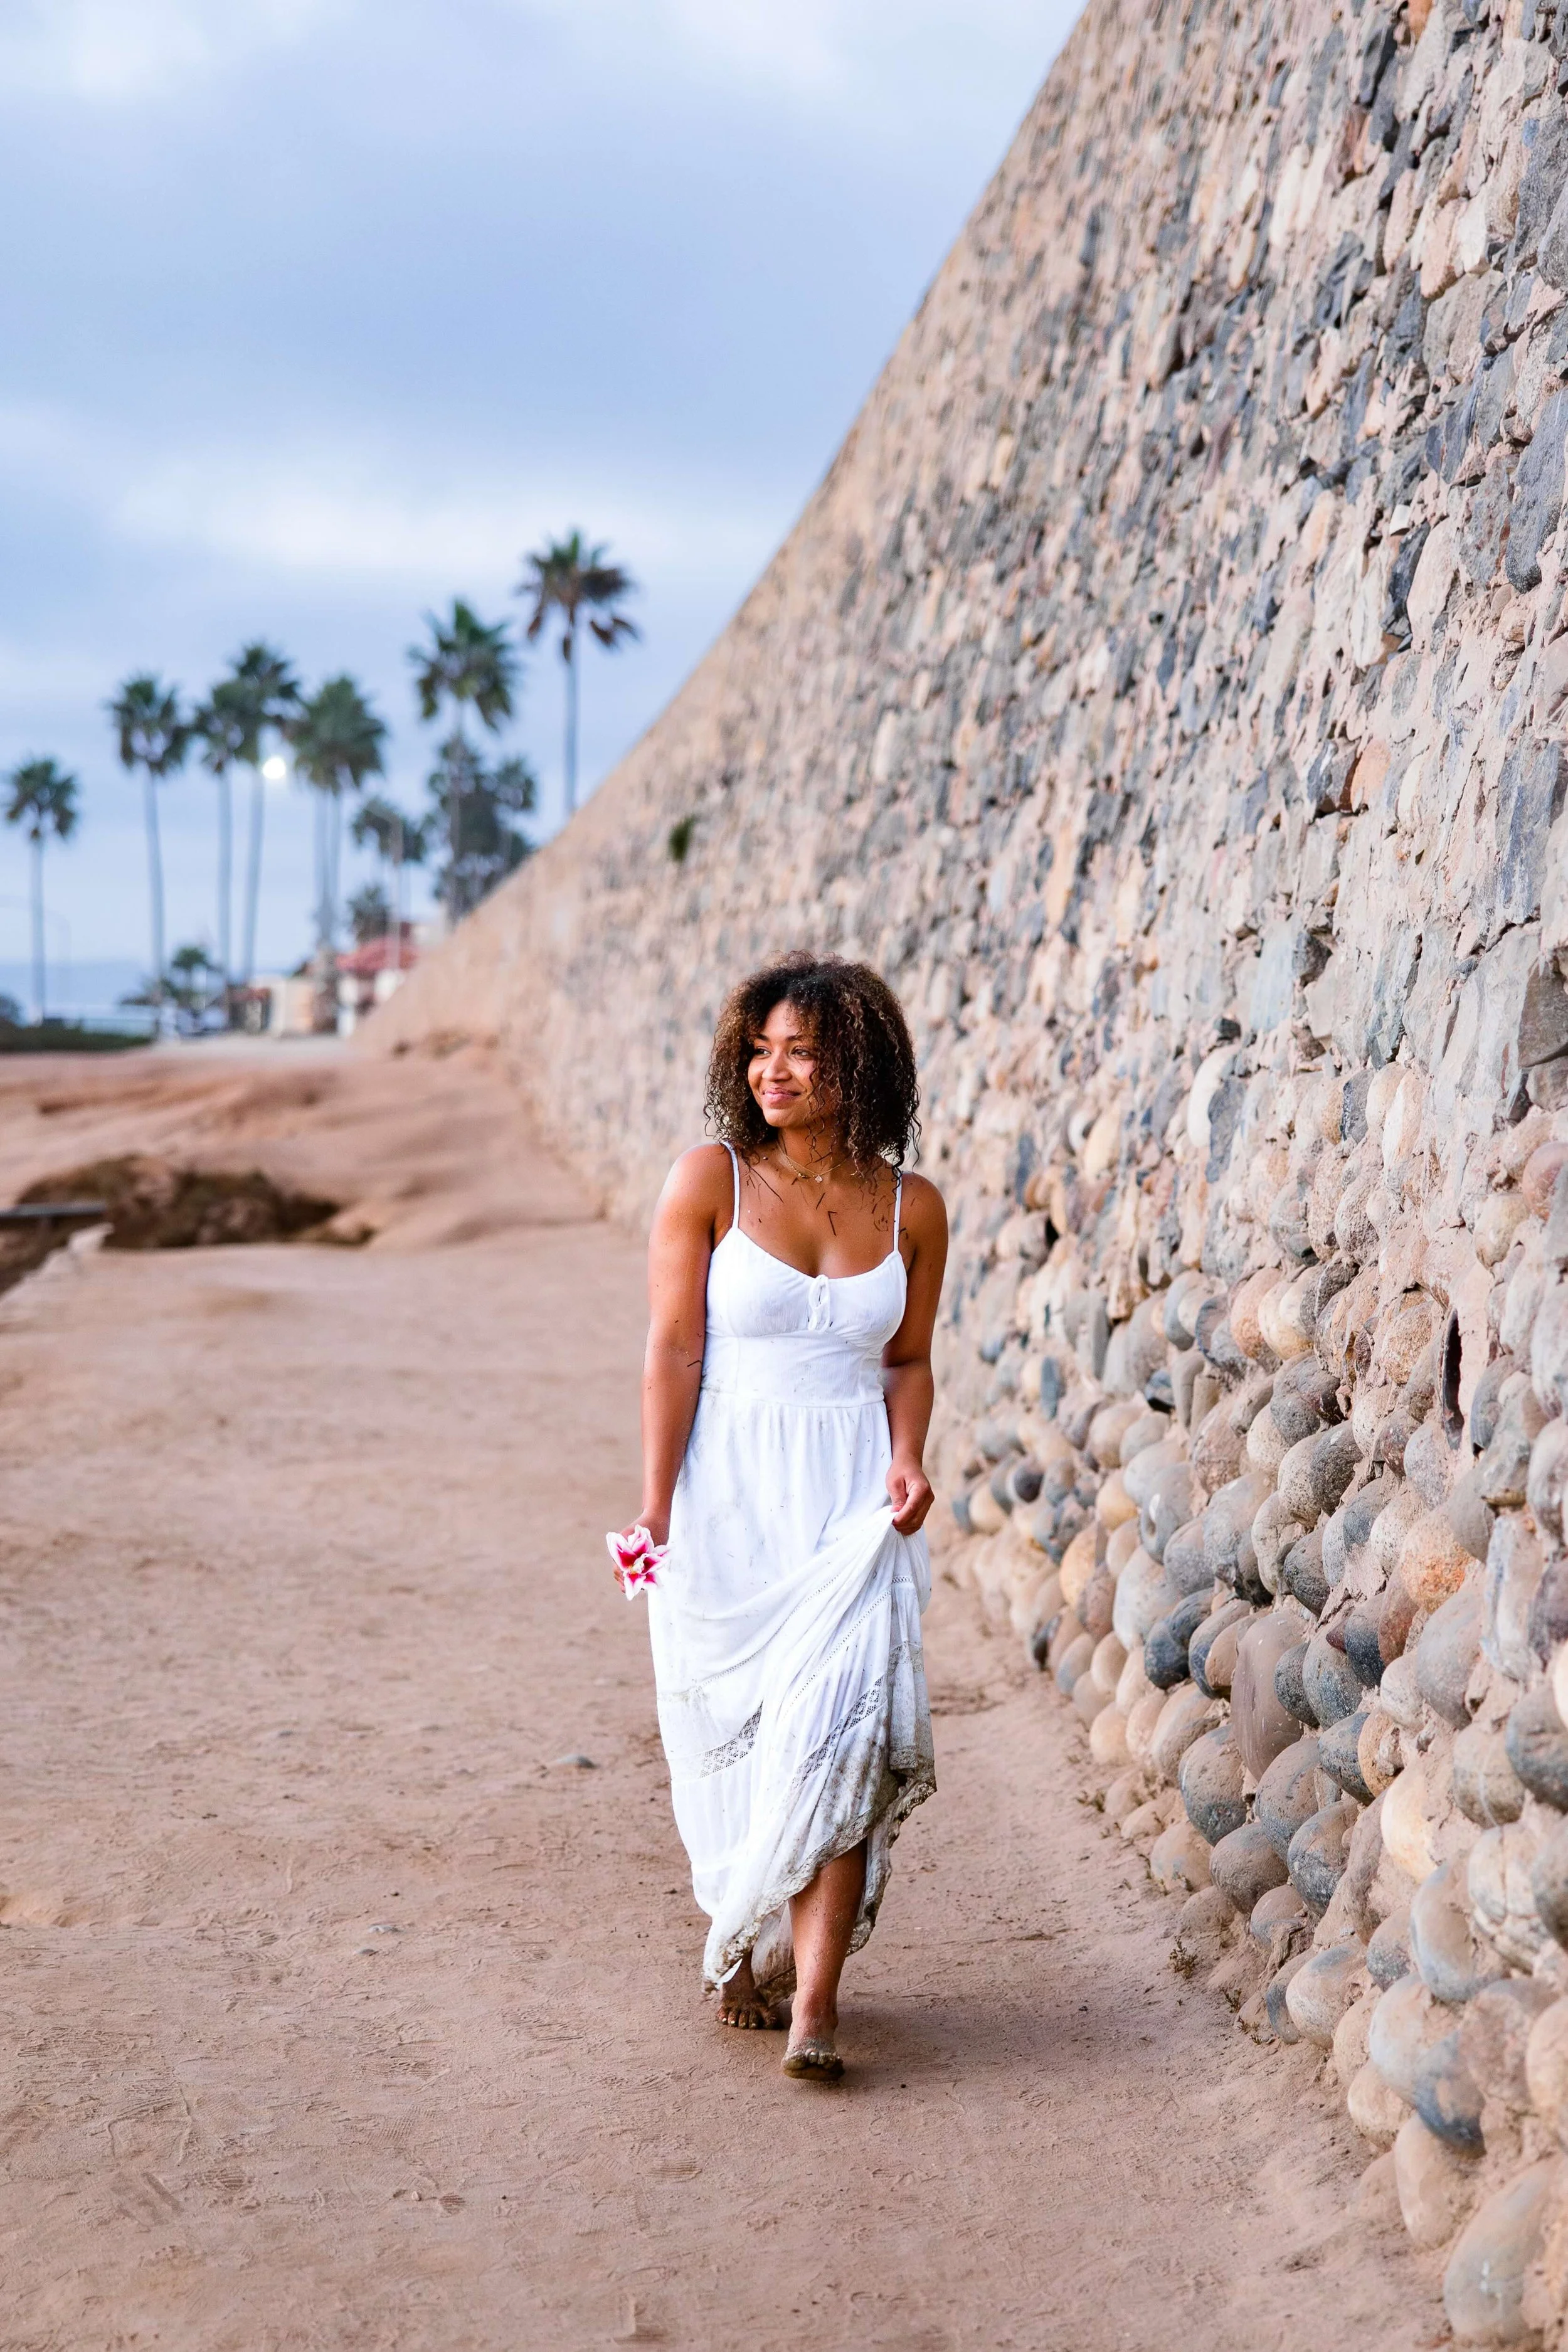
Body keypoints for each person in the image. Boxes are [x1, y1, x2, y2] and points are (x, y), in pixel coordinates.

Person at [617, 953, 946, 2082]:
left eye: (801, 1050)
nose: (775, 1071)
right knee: (736, 1752)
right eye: (760, 1050)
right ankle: (747, 1946)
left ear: (858, 1060)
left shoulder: (914, 1207)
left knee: (841, 1739)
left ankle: (817, 2004)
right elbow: (673, 1349)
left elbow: (907, 1361)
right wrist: (655, 1509)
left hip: (853, 1509)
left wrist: (909, 1459)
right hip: (729, 1501)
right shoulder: (710, 1178)